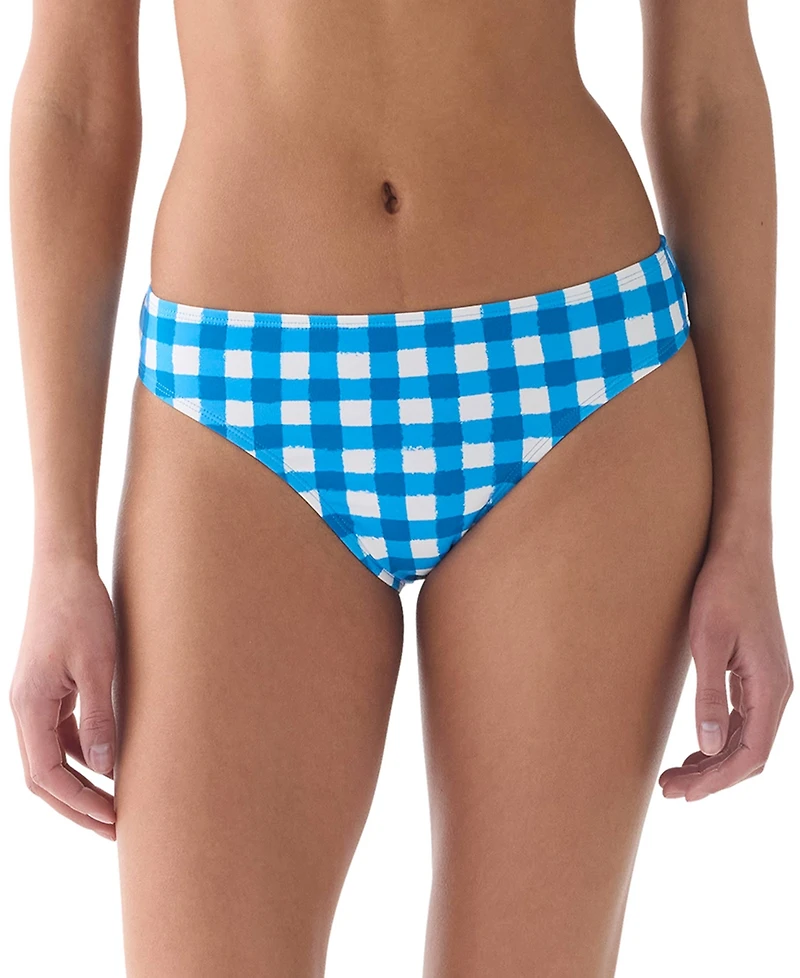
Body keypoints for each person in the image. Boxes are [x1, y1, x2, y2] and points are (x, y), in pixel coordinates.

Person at [7, 1, 793, 975]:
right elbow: (75, 102)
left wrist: (747, 531)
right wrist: (58, 550)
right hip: (235, 403)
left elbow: (707, 94)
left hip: (576, 382)